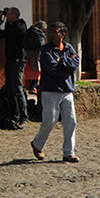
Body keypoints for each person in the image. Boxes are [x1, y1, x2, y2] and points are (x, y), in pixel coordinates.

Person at [30, 21, 81, 163]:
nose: (51, 33)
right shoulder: (46, 50)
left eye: (55, 31)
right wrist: (66, 64)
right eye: (50, 31)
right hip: (50, 90)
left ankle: (68, 152)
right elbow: (52, 68)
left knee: (71, 121)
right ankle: (37, 144)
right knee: (50, 121)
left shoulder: (69, 48)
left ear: (62, 34)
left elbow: (75, 63)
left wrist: (61, 61)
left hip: (67, 90)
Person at [0, 6, 28, 128]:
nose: (7, 16)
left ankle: (24, 117)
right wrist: (3, 19)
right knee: (9, 88)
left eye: (9, 14)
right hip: (11, 60)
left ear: (14, 15)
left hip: (17, 61)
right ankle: (14, 115)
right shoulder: (15, 25)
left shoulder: (18, 27)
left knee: (17, 89)